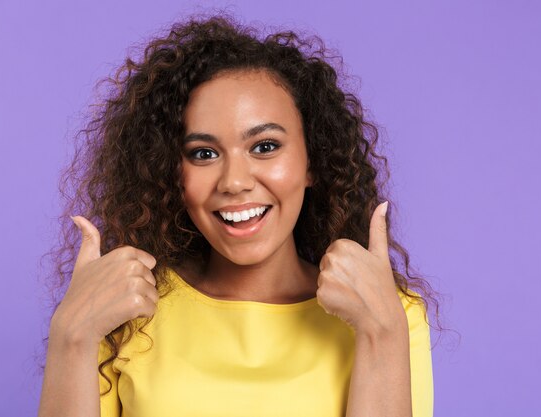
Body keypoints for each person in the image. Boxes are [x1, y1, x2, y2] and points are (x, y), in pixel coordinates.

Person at [38, 11, 440, 417]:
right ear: (171, 173)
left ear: (312, 161)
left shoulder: (392, 313)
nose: (234, 181)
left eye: (265, 146)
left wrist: (381, 332)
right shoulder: (122, 307)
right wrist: (71, 333)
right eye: (204, 153)